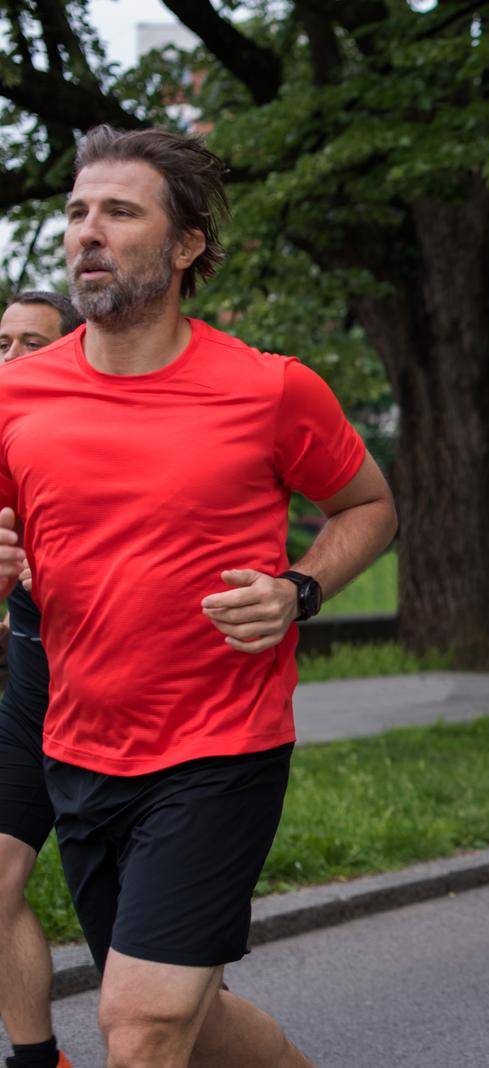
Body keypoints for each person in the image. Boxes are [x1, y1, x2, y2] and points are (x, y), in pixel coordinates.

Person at [0, 125, 397, 1067]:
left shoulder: (270, 390)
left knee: (137, 1024)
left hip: (220, 749)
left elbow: (371, 505)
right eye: (76, 212)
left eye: (120, 212)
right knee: (185, 1019)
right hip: (79, 746)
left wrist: (300, 589)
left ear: (185, 248)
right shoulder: (17, 400)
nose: (87, 232)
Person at [0, 291, 82, 1068]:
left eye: (34, 344)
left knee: (149, 954)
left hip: (128, 713)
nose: (13, 361)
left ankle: (192, 1029)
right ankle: (36, 1061)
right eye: (3, 343)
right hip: (32, 696)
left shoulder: (98, 441)